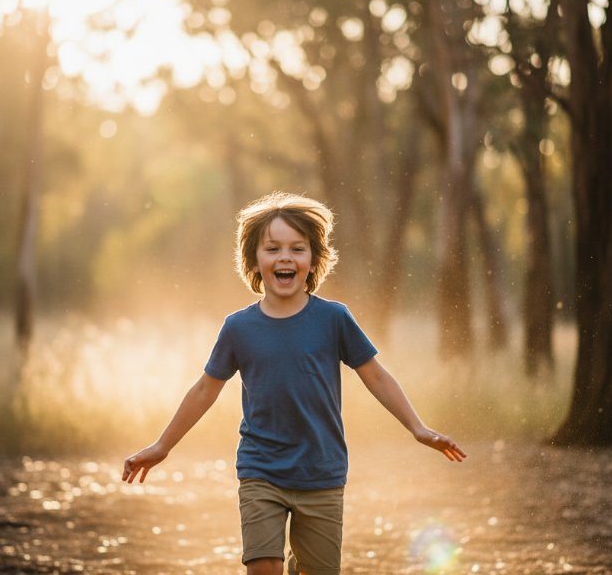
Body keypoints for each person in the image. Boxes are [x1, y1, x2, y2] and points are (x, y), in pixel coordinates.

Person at [122, 192, 466, 575]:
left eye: (297, 248)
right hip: (261, 469)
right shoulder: (238, 328)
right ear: (254, 260)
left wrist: (418, 429)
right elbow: (205, 389)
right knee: (264, 566)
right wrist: (162, 445)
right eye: (272, 248)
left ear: (313, 260)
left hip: (321, 472)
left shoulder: (334, 319)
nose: (285, 257)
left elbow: (377, 376)